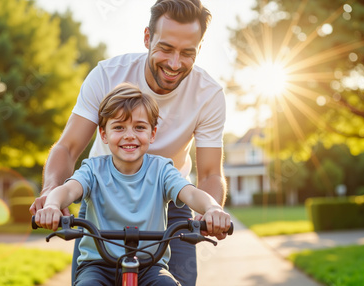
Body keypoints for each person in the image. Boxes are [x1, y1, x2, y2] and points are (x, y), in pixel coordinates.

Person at [30, 0, 227, 284]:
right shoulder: (107, 75)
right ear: (147, 37)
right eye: (166, 48)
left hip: (169, 198)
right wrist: (51, 195)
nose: (174, 63)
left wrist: (210, 212)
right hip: (102, 194)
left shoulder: (208, 95)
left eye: (187, 53)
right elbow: (68, 147)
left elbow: (209, 174)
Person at [34, 83, 231, 285]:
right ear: (103, 134)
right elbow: (67, 190)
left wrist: (212, 207)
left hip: (150, 265)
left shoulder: (162, 170)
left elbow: (190, 194)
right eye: (119, 127)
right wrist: (51, 205)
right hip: (98, 265)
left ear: (152, 134)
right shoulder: (93, 170)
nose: (129, 135)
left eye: (139, 127)